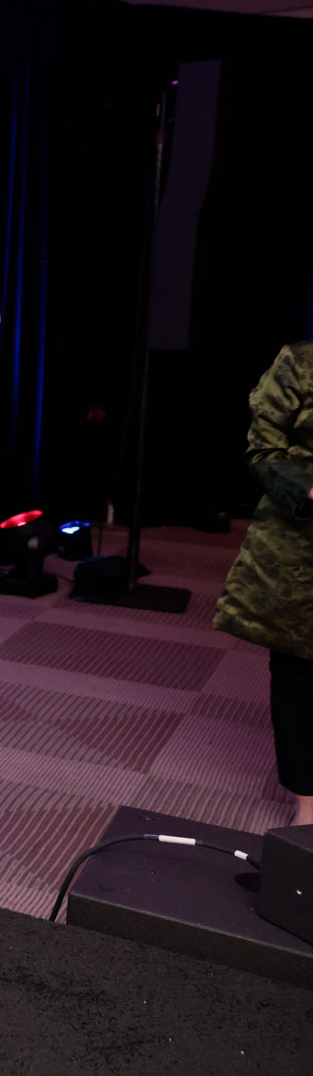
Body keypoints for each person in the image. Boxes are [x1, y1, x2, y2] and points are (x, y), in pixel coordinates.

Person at [213, 341, 313, 828]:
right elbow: (264, 450)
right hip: (301, 551)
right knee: (299, 675)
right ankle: (308, 812)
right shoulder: (298, 362)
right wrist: (308, 488)